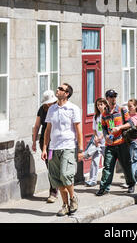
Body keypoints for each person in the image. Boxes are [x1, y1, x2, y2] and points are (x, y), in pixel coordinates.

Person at [42, 83, 83, 217]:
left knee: (66, 175)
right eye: (58, 88)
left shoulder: (73, 109)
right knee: (56, 179)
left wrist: (80, 150)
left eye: (61, 89)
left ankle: (73, 198)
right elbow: (48, 130)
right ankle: (65, 205)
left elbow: (78, 130)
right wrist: (44, 148)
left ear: (66, 94)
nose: (57, 90)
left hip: (68, 146)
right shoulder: (51, 109)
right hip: (53, 147)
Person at [95, 89, 135, 196]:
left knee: (126, 165)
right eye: (111, 97)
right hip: (110, 144)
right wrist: (106, 136)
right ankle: (104, 188)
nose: (113, 99)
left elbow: (130, 123)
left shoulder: (122, 110)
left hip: (122, 142)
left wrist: (119, 128)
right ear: (107, 99)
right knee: (107, 166)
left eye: (114, 97)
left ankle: (131, 184)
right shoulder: (104, 113)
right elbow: (103, 127)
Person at [32, 89, 58, 203]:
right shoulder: (42, 109)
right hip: (45, 141)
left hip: (57, 140)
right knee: (50, 166)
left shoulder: (58, 108)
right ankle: (53, 192)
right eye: (47, 102)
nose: (49, 104)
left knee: (57, 167)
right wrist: (34, 142)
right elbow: (37, 126)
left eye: (50, 102)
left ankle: (60, 188)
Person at [84, 97, 107, 186]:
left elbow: (110, 129)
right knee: (95, 161)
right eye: (97, 105)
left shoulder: (108, 115)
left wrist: (101, 137)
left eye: (101, 104)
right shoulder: (96, 116)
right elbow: (94, 129)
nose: (99, 106)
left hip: (106, 143)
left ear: (105, 105)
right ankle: (92, 180)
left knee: (107, 163)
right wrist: (96, 138)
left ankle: (106, 180)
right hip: (98, 143)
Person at [124, 98, 137, 186]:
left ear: (135, 106)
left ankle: (130, 180)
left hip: (136, 140)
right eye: (128, 106)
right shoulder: (126, 115)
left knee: (133, 160)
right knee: (131, 160)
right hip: (128, 140)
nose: (129, 108)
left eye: (131, 106)